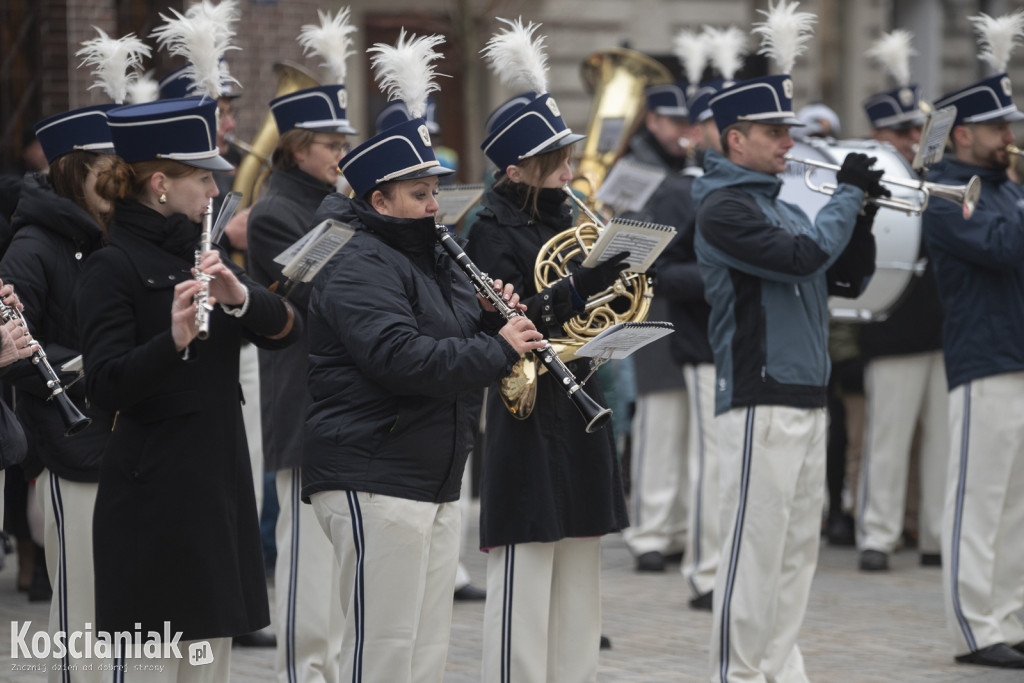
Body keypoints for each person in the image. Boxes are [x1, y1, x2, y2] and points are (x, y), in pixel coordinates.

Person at [301, 31, 543, 683]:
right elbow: (400, 358)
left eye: (434, 191)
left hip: (429, 473)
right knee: (381, 650)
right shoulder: (356, 261)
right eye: (418, 195)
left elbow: (447, 330)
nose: (435, 206)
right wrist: (495, 347)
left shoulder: (430, 256)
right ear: (379, 200)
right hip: (372, 470)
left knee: (424, 651)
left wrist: (492, 311)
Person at [75, 92, 300, 680]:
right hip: (154, 490)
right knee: (151, 660)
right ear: (159, 184)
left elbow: (284, 333)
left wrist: (241, 296)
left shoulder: (207, 251)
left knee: (210, 660)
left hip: (217, 483)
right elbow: (104, 384)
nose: (213, 190)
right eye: (202, 177)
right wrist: (171, 341)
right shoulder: (112, 264)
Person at [694, 54, 883, 680]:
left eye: (787, 131)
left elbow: (845, 278)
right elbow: (803, 259)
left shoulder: (783, 204)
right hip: (759, 395)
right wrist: (848, 193)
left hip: (804, 392)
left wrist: (864, 216)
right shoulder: (724, 207)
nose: (787, 143)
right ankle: (739, 673)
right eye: (774, 133)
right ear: (735, 139)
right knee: (754, 553)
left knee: (797, 554)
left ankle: (780, 668)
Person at [468, 18, 630, 682]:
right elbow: (501, 322)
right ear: (518, 167)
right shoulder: (487, 226)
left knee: (580, 562)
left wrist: (611, 295)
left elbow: (582, 305)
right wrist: (578, 284)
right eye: (557, 161)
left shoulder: (567, 214)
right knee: (527, 564)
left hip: (580, 396)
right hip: (527, 410)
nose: (571, 169)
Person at [0, 103, 119, 682]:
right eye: (108, 169)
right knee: (81, 598)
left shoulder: (105, 235)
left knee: (108, 597)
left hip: (115, 435)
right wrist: (89, 367)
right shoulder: (33, 247)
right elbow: (18, 354)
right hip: (68, 443)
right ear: (76, 171)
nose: (120, 182)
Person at [247, 75, 355, 682]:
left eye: (343, 144)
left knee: (340, 554)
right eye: (331, 145)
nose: (341, 155)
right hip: (302, 393)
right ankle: (304, 671)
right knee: (307, 553)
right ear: (296, 150)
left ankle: (334, 666)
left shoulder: (331, 202)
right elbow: (327, 293)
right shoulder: (273, 214)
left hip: (342, 393)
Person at [923, 28, 1024, 668]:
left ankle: (1009, 617)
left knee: (1015, 502)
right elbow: (1001, 248)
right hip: (982, 357)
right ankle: (974, 628)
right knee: (977, 499)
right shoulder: (945, 192)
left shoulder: (1008, 187)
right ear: (963, 135)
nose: (1008, 135)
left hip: (1017, 353)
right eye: (996, 127)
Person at [856, 44, 947, 572]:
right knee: (887, 435)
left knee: (943, 438)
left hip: (943, 323)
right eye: (902, 133)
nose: (914, 139)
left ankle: (934, 533)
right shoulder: (870, 182)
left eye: (917, 130)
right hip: (893, 324)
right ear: (878, 138)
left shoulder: (935, 178)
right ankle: (878, 534)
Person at [615, 82, 696, 573]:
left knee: (687, 425)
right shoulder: (636, 169)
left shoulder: (689, 166)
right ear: (652, 121)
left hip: (690, 307)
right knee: (660, 423)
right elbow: (632, 239)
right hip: (655, 304)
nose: (683, 133)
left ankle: (680, 528)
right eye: (673, 123)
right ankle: (648, 530)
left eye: (688, 123)